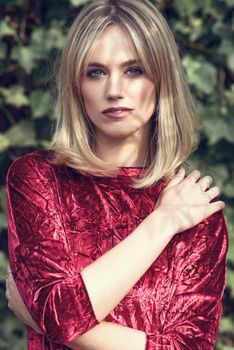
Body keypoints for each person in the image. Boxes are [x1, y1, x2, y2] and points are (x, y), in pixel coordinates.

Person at [5, 0, 228, 349]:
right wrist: (161, 223)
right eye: (95, 72)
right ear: (76, 86)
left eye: (133, 70)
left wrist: (47, 318)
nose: (114, 90)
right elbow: (59, 315)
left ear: (161, 80)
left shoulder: (196, 213)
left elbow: (190, 347)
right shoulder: (38, 179)